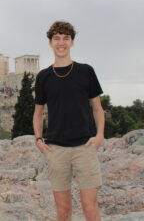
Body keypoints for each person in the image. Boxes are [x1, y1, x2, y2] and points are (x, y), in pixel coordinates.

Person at [33, 21, 105, 221]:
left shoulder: (86, 71)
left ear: (72, 42)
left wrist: (99, 136)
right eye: (56, 38)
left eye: (65, 38)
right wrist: (38, 139)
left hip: (85, 147)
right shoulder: (43, 77)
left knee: (90, 209)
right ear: (50, 43)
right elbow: (38, 113)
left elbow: (98, 108)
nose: (61, 43)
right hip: (56, 150)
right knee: (63, 212)